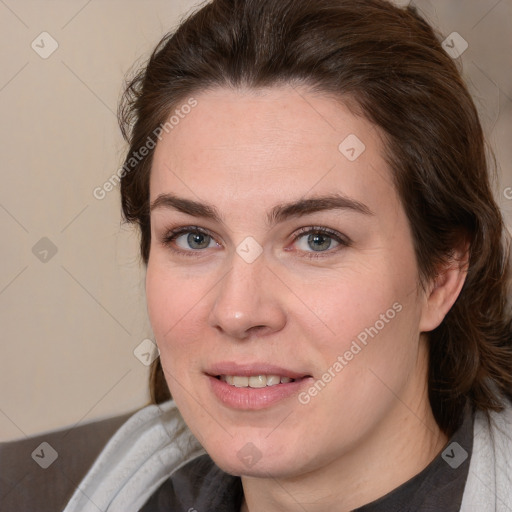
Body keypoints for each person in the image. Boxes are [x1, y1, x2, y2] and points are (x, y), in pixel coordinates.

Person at [63, 0, 512, 510]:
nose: (237, 311)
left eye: (317, 239)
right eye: (195, 237)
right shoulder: (36, 487)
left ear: (441, 274)